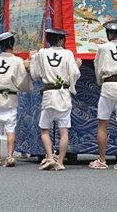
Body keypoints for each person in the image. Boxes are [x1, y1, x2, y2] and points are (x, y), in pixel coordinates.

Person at [29, 28, 82, 171]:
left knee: (44, 129)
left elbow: (34, 74)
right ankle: (60, 162)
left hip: (48, 95)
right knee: (63, 131)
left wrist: (32, 57)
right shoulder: (67, 54)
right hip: (63, 95)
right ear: (61, 40)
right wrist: (77, 66)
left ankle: (50, 157)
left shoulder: (42, 54)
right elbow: (74, 74)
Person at [90, 19, 117, 170]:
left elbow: (98, 68)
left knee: (103, 124)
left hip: (108, 86)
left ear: (109, 33)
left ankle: (102, 159)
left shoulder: (102, 48)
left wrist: (100, 81)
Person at [0, 32, 32, 167]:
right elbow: (22, 81)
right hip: (11, 98)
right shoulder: (17, 61)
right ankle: (9, 156)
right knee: (10, 128)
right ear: (12, 44)